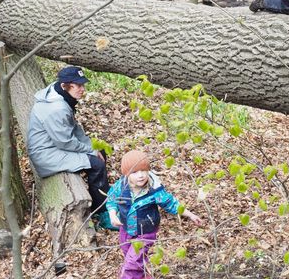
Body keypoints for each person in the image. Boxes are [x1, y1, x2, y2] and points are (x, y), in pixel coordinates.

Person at [27, 65, 115, 229]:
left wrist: (93, 146)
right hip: (46, 155)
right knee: (97, 164)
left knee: (100, 151)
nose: (82, 89)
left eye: (82, 84)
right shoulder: (56, 108)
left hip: (54, 146)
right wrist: (90, 151)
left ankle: (100, 193)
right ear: (65, 86)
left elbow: (73, 129)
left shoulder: (60, 94)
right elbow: (65, 142)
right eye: (78, 85)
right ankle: (102, 212)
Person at [106, 149, 203, 279]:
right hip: (126, 229)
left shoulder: (154, 190)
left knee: (132, 263)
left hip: (146, 231)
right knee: (131, 257)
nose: (140, 175)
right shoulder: (121, 186)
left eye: (143, 171)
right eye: (135, 172)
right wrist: (112, 214)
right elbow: (111, 199)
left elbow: (171, 203)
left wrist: (190, 214)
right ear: (127, 174)